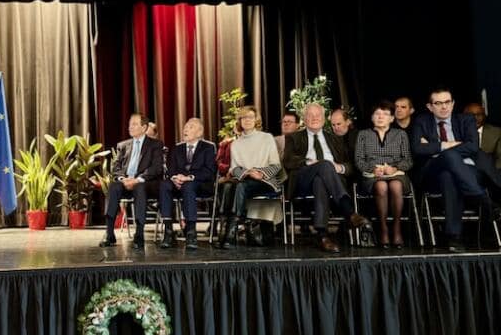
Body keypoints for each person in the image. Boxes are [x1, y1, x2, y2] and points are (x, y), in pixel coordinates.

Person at [411, 87, 501, 251]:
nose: (444, 107)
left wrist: (435, 147)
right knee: (449, 157)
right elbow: (417, 149)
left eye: (447, 102)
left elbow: (473, 147)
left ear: (453, 104)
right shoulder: (421, 121)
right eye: (438, 103)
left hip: (469, 171)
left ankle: (454, 237)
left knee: (449, 175)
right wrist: (447, 145)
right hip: (433, 172)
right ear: (430, 107)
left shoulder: (466, 120)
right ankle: (481, 199)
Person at [283, 103, 372, 253]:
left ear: (324, 119)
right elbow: (288, 160)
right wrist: (309, 162)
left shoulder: (335, 139)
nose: (314, 118)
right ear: (304, 119)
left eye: (318, 115)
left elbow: (350, 165)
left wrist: (340, 167)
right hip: (303, 179)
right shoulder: (294, 137)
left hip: (330, 179)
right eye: (310, 115)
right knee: (324, 165)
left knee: (320, 180)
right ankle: (349, 211)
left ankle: (323, 236)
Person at [219, 106, 285, 249]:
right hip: (245, 179)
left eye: (250, 117)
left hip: (266, 180)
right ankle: (225, 229)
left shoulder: (266, 138)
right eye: (243, 117)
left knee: (240, 186)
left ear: (256, 120)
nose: (247, 120)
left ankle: (230, 233)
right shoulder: (235, 144)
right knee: (227, 186)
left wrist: (260, 173)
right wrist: (248, 173)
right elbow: (234, 168)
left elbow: (276, 165)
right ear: (239, 121)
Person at [99, 113, 163, 250]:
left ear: (144, 127)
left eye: (134, 124)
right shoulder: (123, 145)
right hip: (126, 181)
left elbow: (156, 168)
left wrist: (138, 179)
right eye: (129, 124)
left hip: (145, 183)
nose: (130, 127)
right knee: (114, 186)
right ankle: (109, 233)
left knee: (139, 187)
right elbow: (115, 168)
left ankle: (139, 234)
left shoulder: (155, 145)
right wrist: (123, 179)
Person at [354, 100, 413, 249]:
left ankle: (397, 228)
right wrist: (372, 169)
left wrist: (394, 168)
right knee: (381, 186)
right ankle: (383, 228)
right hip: (372, 176)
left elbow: (408, 160)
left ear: (392, 118)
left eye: (385, 114)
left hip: (396, 173)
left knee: (396, 185)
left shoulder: (401, 134)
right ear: (372, 117)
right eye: (377, 114)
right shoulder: (363, 135)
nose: (380, 117)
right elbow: (358, 160)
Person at [158, 118, 216, 249]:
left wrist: (189, 177)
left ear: (199, 132)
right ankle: (168, 231)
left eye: (190, 127)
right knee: (164, 185)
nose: (186, 129)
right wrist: (175, 178)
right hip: (179, 182)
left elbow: (209, 171)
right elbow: (170, 169)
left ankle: (191, 232)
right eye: (185, 127)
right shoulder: (177, 148)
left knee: (188, 186)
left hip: (200, 184)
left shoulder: (208, 148)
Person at [464, 102, 501, 170]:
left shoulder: (497, 132)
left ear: (484, 116)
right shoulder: (458, 131)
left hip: (490, 171)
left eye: (479, 114)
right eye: (471, 115)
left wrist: (493, 172)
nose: (475, 118)